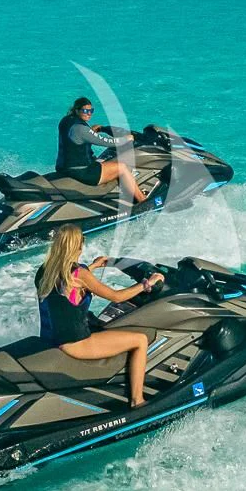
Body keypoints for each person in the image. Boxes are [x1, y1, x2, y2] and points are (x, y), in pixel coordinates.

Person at [35, 226, 163, 406]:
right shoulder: (80, 275)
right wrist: (147, 284)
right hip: (75, 344)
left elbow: (68, 281)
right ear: (79, 246)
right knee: (140, 340)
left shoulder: (45, 271)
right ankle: (137, 400)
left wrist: (93, 267)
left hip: (51, 340)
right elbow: (116, 297)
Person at [55, 97, 148, 203]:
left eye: (91, 111)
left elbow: (75, 138)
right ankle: (142, 201)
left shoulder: (66, 120)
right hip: (81, 170)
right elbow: (106, 142)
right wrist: (126, 139)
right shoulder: (80, 129)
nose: (89, 114)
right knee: (122, 168)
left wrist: (92, 131)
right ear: (77, 110)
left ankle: (128, 195)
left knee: (106, 162)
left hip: (64, 167)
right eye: (85, 111)